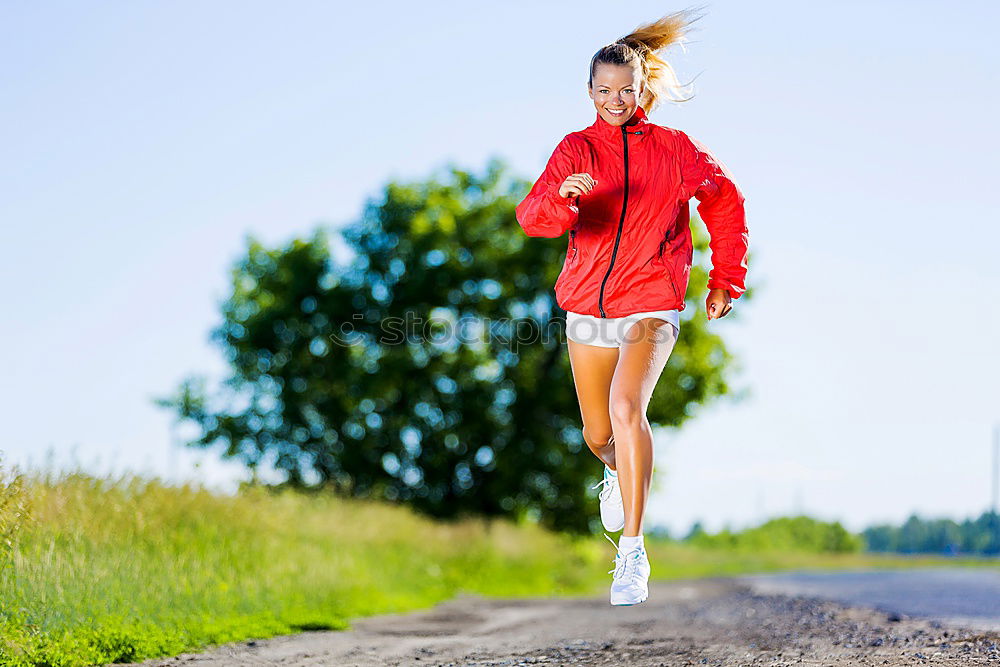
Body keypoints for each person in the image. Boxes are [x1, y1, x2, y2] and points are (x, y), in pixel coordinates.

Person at [514, 9, 749, 606]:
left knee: (626, 406)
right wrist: (561, 202)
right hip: (587, 306)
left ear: (643, 89)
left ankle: (633, 554)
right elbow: (531, 218)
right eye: (602, 90)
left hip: (652, 300)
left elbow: (725, 204)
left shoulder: (675, 150)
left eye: (625, 90)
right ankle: (617, 471)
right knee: (599, 434)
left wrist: (725, 278)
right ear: (589, 91)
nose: (614, 99)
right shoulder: (574, 149)